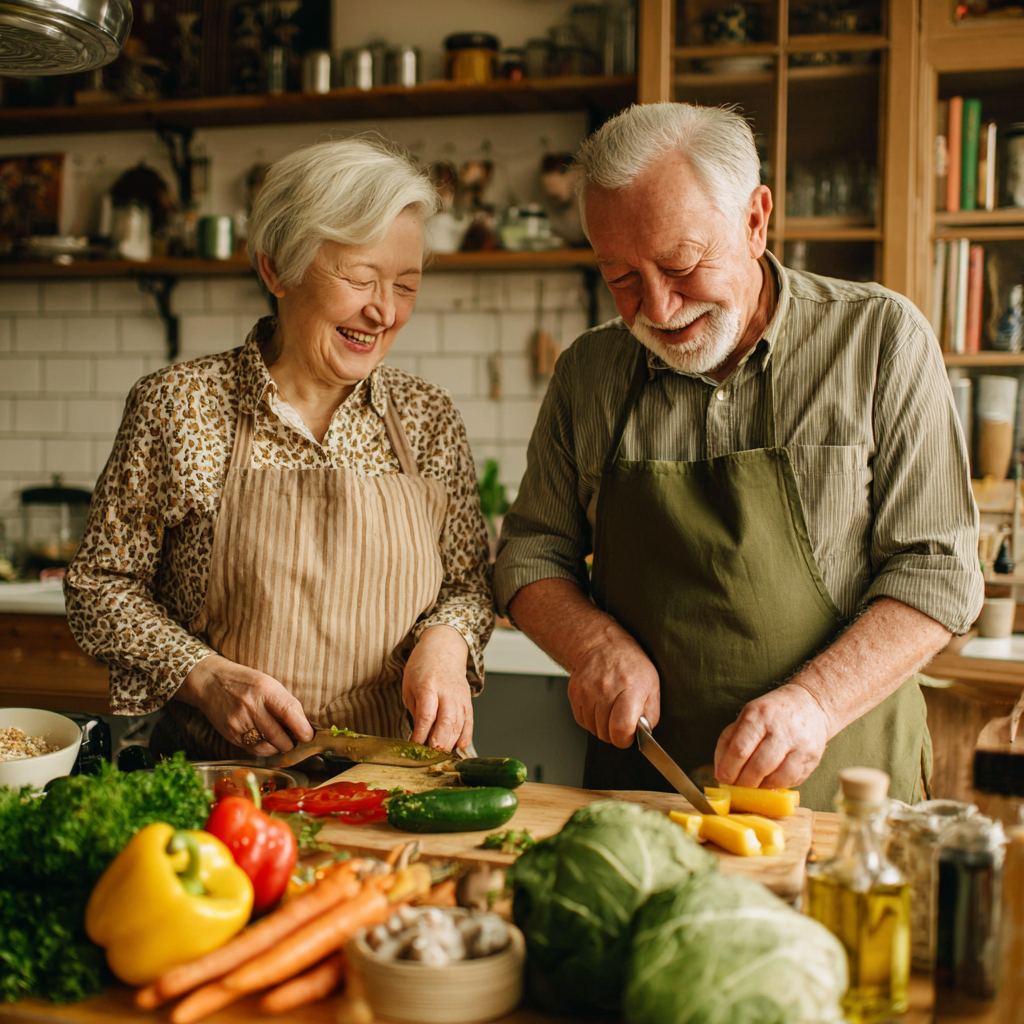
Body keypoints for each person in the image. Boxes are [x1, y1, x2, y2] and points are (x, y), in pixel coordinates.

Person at [493, 103, 982, 811]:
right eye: (621, 276)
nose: (657, 308)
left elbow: (938, 569)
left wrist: (814, 702)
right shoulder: (589, 374)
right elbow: (531, 553)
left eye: (681, 263)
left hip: (842, 796)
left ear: (756, 220)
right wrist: (593, 646)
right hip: (642, 802)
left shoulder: (879, 340)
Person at [66, 136, 493, 761]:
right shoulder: (179, 405)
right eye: (360, 278)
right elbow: (99, 587)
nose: (383, 312)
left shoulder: (427, 418)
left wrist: (447, 645)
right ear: (276, 270)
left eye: (406, 285)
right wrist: (205, 677)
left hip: (392, 781)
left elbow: (468, 583)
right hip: (221, 781)